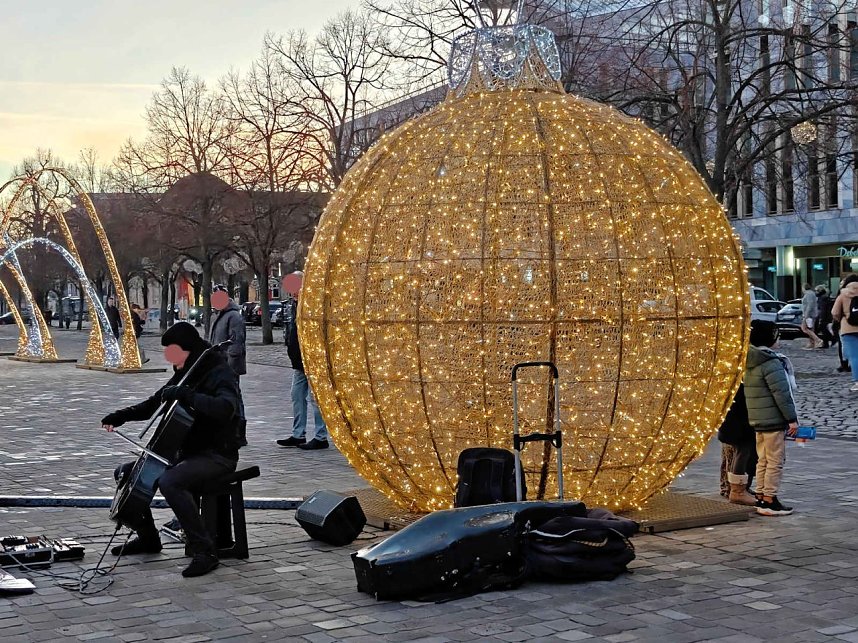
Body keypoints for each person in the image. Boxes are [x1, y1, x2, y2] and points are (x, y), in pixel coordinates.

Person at [100, 322, 241, 577]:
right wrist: (119, 416)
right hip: (186, 454)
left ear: (189, 349)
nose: (168, 357)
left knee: (170, 482)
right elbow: (154, 403)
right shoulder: (185, 372)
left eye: (172, 351)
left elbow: (225, 408)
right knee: (127, 472)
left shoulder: (219, 372)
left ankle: (204, 551)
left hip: (217, 453)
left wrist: (188, 396)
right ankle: (148, 538)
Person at [744, 320, 798, 516]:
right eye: (776, 335)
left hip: (758, 419)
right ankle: (770, 500)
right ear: (769, 338)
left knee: (763, 460)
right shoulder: (770, 361)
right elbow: (781, 394)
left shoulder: (750, 359)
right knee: (775, 460)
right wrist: (791, 419)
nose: (779, 338)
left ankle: (760, 495)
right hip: (773, 420)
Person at [277, 294, 329, 450]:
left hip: (312, 362)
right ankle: (298, 434)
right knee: (297, 395)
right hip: (299, 364)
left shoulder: (312, 305)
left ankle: (321, 436)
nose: (292, 293)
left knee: (316, 400)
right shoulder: (295, 306)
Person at [209, 285, 247, 446]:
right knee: (225, 397)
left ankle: (239, 433)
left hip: (229, 365)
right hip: (218, 364)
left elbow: (236, 342)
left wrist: (230, 366)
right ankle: (228, 431)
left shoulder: (234, 317)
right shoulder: (216, 316)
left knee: (235, 397)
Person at [717, 383, 757, 505]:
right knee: (742, 452)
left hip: (736, 420)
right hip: (738, 422)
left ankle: (740, 488)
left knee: (745, 453)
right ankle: (737, 491)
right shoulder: (738, 378)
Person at [831, 274, 858, 391]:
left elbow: (835, 312)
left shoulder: (843, 294)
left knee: (855, 356)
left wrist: (842, 319)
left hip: (848, 329)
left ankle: (857, 382)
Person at [799, 283, 822, 350]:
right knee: (811, 328)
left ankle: (818, 340)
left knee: (804, 328)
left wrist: (806, 315)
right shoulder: (812, 293)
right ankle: (812, 343)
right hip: (811, 314)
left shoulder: (808, 294)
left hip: (809, 315)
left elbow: (809, 305)